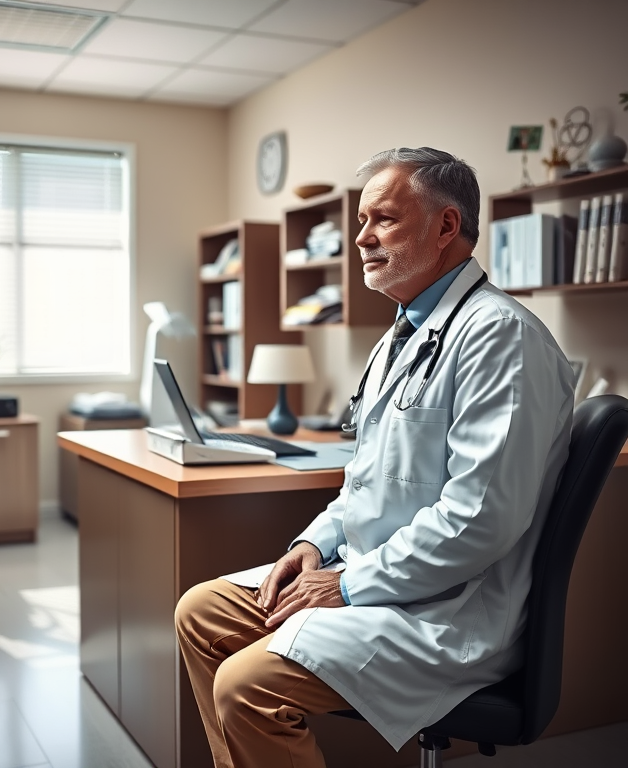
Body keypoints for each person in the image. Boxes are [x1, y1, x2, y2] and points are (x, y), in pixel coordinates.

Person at [175, 147, 576, 768]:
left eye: (382, 220)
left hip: (448, 608)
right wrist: (310, 547)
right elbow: (364, 483)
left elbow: (480, 520)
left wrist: (343, 583)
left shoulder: (499, 336)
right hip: (379, 575)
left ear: (446, 227)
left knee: (245, 687)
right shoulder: (402, 333)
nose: (360, 238)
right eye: (361, 221)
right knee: (200, 613)